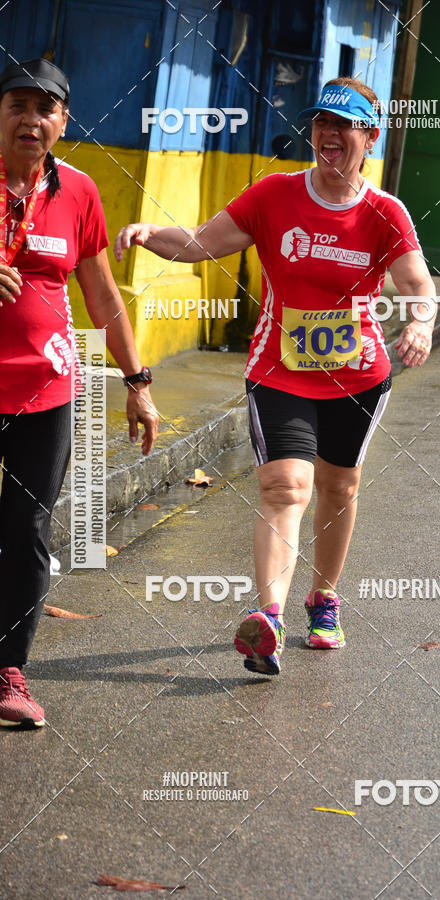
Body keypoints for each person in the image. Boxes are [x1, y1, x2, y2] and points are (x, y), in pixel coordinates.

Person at [114, 77, 436, 677]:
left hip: (357, 376)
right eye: (321, 123)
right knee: (285, 487)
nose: (329, 135)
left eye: (344, 126)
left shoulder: (383, 211)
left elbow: (418, 285)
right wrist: (150, 234)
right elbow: (202, 244)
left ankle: (325, 599)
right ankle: (269, 620)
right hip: (280, 370)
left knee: (339, 488)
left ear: (369, 136)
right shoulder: (273, 196)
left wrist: (420, 321)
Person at [0, 59, 158, 728]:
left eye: (47, 108)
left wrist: (138, 381)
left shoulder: (79, 192)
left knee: (28, 528)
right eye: (19, 105)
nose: (32, 119)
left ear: (63, 122)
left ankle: (9, 670)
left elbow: (101, 295)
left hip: (45, 388)